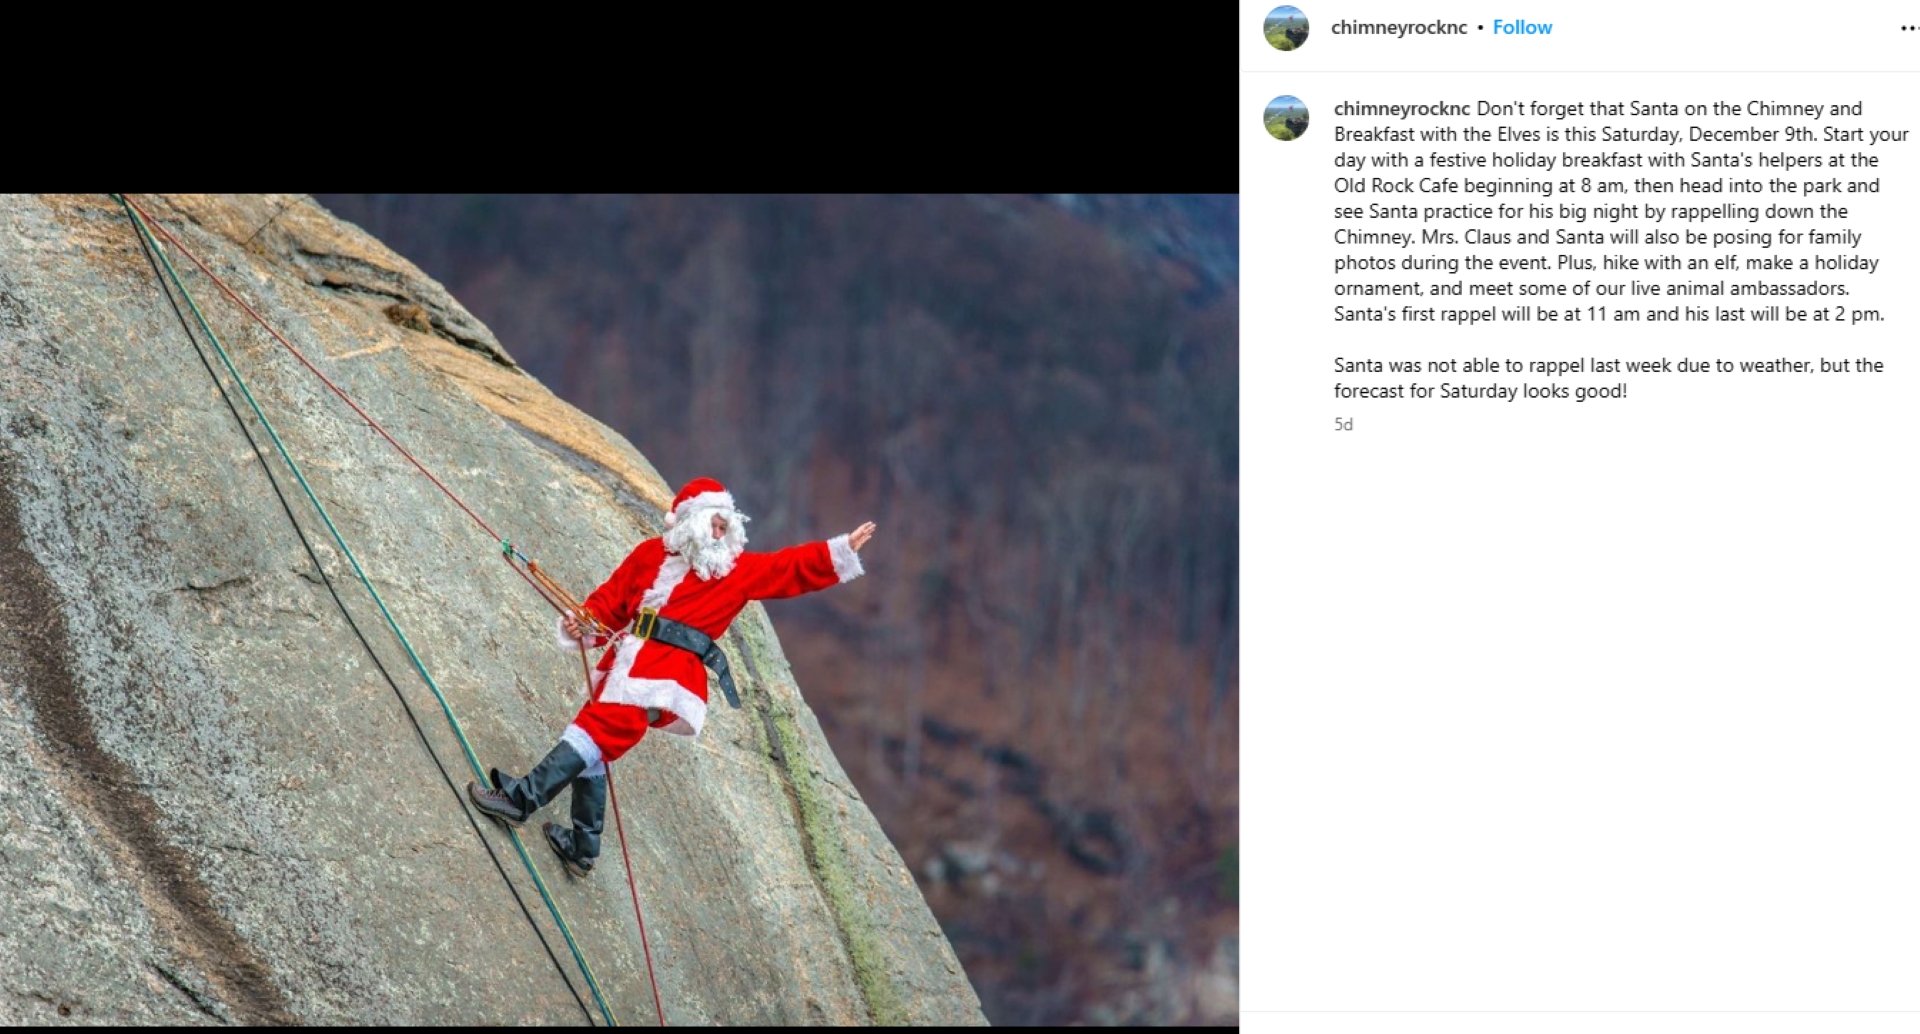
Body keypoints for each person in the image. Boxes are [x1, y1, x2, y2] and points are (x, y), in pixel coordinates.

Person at [468, 477, 875, 876]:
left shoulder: (736, 572)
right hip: (628, 662)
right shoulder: (648, 555)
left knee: (594, 732)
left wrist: (836, 552)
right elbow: (611, 601)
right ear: (691, 521)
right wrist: (583, 624)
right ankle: (583, 846)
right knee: (597, 742)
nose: (720, 533)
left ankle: (522, 800)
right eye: (714, 524)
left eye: (725, 527)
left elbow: (787, 568)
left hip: (666, 679)